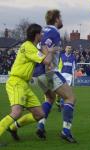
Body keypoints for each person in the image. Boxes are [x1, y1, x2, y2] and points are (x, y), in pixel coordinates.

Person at [9, 9, 77, 143]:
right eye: (60, 18)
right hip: (48, 71)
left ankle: (40, 127)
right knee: (70, 98)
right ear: (57, 19)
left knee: (50, 98)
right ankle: (66, 131)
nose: (61, 20)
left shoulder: (43, 31)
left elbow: (41, 46)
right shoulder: (53, 31)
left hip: (38, 74)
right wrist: (48, 65)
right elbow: (46, 47)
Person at [0, 24, 55, 142]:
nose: (42, 35)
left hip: (24, 84)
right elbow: (47, 61)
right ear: (36, 35)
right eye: (41, 33)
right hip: (16, 82)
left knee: (40, 114)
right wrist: (50, 51)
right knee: (16, 112)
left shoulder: (30, 47)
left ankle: (13, 127)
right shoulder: (29, 46)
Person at [56, 45, 76, 111]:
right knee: (60, 92)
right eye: (68, 48)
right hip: (62, 74)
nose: (69, 49)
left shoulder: (73, 57)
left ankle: (62, 105)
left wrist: (74, 76)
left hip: (69, 76)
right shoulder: (61, 56)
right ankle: (58, 101)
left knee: (66, 91)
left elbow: (73, 67)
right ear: (65, 49)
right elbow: (59, 66)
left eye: (70, 48)